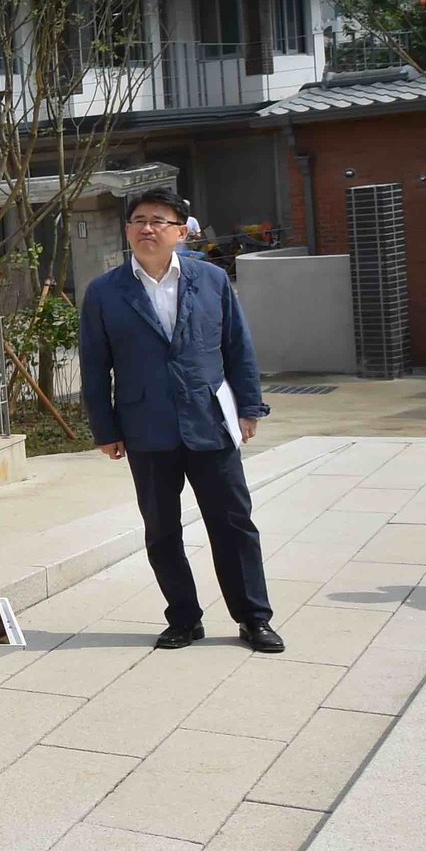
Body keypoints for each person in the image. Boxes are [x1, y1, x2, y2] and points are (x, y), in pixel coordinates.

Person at [79, 188, 281, 654]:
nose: (147, 228)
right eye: (138, 220)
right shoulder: (106, 291)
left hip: (210, 423)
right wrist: (105, 430)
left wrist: (249, 407)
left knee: (233, 525)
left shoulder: (210, 280)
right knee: (162, 530)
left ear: (180, 230)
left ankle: (254, 619)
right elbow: (94, 366)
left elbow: (238, 348)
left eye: (159, 220)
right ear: (127, 229)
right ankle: (184, 619)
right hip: (146, 428)